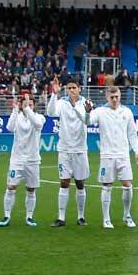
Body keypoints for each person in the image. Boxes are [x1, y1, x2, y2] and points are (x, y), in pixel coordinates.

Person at [89, 86, 138, 228]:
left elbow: (132, 133)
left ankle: (127, 215)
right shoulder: (100, 111)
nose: (114, 99)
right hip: (107, 155)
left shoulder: (127, 112)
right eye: (112, 97)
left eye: (117, 96)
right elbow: (88, 121)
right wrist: (87, 112)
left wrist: (137, 151)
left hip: (123, 155)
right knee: (107, 186)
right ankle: (106, 219)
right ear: (107, 97)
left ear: (120, 96)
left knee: (128, 185)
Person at [46, 79, 90, 226]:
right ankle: (61, 218)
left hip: (79, 149)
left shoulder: (86, 103)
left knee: (80, 183)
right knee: (64, 182)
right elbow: (51, 113)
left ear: (79, 88)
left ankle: (81, 216)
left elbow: (86, 120)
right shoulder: (62, 102)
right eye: (69, 87)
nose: (71, 90)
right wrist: (54, 94)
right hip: (64, 149)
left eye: (74, 87)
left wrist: (77, 108)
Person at [0, 90, 45, 227]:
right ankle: (6, 215)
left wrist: (26, 108)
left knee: (31, 189)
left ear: (34, 105)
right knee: (11, 187)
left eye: (31, 104)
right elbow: (8, 128)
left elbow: (37, 124)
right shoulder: (18, 116)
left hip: (32, 160)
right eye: (26, 104)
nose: (28, 106)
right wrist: (15, 110)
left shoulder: (39, 117)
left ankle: (29, 217)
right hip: (17, 159)